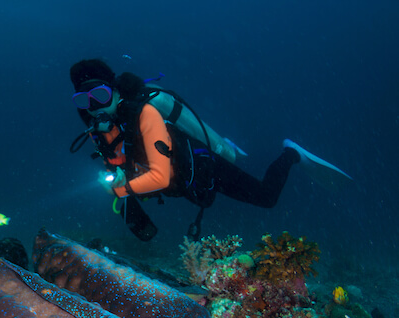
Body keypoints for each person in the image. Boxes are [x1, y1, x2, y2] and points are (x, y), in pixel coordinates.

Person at [69, 58, 352, 241]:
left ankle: (292, 153)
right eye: (85, 101)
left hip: (204, 168)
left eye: (101, 95)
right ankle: (231, 146)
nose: (95, 107)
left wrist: (119, 189)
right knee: (244, 167)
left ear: (116, 90)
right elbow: (123, 166)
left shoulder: (144, 114)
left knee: (266, 197)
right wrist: (117, 180)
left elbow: (161, 177)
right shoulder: (101, 131)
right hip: (187, 177)